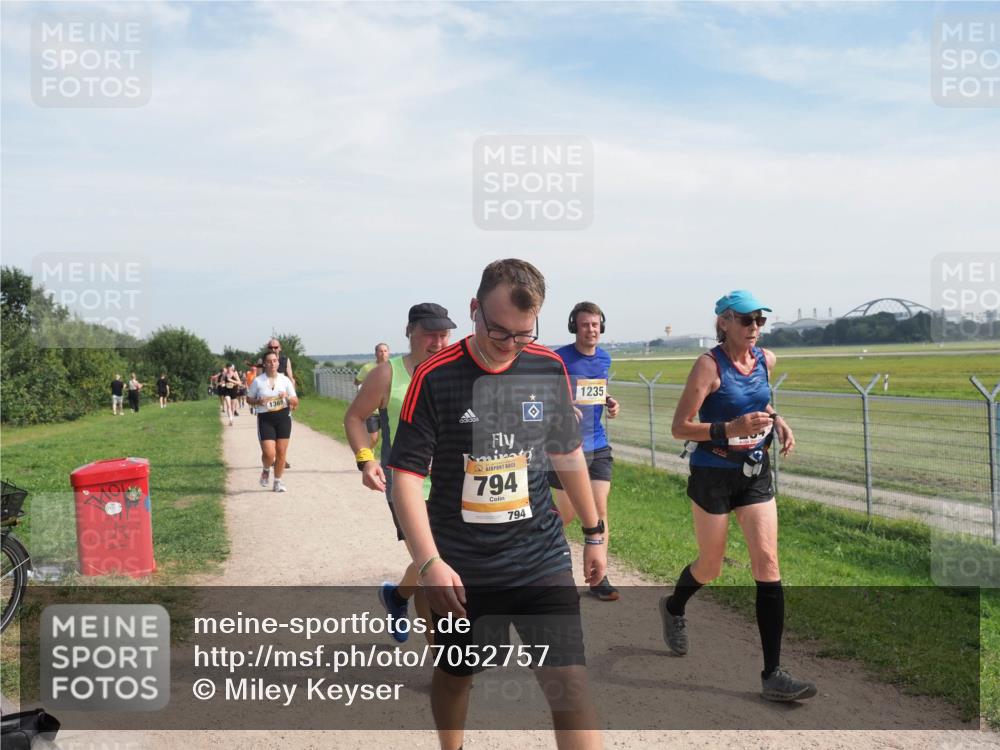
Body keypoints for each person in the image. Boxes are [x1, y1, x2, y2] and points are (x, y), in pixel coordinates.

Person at [388, 259, 606, 750]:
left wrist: (594, 532)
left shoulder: (547, 367)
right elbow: (405, 477)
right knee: (456, 676)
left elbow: (566, 452)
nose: (510, 345)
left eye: (523, 335)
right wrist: (428, 562)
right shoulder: (434, 376)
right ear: (473, 310)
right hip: (463, 569)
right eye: (499, 331)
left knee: (570, 685)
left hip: (540, 556)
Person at [664, 290, 815, 702]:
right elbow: (680, 427)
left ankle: (773, 674)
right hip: (712, 474)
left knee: (767, 562)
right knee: (711, 567)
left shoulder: (766, 360)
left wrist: (778, 420)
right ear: (724, 323)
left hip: (754, 474)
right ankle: (674, 607)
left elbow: (759, 399)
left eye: (759, 321)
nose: (754, 328)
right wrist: (728, 429)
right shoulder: (707, 366)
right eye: (745, 320)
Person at [345, 311, 453, 644]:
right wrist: (366, 460)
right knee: (433, 564)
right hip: (407, 486)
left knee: (438, 561)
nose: (437, 343)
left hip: (452, 485)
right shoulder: (386, 374)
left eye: (444, 335)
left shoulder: (453, 370)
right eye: (429, 335)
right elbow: (354, 418)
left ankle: (397, 597)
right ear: (409, 332)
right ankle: (444, 659)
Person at [550, 301, 621, 601]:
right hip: (566, 448)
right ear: (574, 327)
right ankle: (543, 561)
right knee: (565, 515)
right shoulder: (559, 358)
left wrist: (609, 400)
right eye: (584, 325)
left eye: (595, 324)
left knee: (599, 510)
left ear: (601, 327)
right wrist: (562, 407)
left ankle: (597, 578)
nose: (591, 330)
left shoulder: (604, 358)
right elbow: (547, 393)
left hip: (598, 445)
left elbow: (592, 390)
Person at [246, 351, 299, 493]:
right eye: (269, 361)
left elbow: (295, 401)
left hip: (283, 418)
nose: (272, 363)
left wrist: (287, 397)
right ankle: (265, 469)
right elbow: (248, 399)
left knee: (281, 452)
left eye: (275, 361)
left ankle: (277, 482)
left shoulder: (285, 380)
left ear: (278, 363)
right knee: (269, 454)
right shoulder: (258, 381)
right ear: (264, 364)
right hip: (265, 419)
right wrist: (258, 401)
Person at [354, 343, 390, 449]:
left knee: (388, 438)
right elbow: (357, 381)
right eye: (380, 351)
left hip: (388, 408)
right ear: (376, 353)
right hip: (372, 410)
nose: (383, 353)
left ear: (389, 353)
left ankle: (386, 462)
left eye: (385, 351)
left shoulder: (393, 367)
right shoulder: (368, 367)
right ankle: (368, 455)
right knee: (373, 438)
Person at [267, 339, 294, 468]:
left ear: (280, 348)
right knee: (271, 432)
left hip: (283, 401)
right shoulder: (264, 361)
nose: (273, 349)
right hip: (269, 402)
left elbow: (291, 377)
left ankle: (282, 458)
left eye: (275, 347)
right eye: (270, 347)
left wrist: (292, 397)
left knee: (283, 432)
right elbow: (259, 379)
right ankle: (270, 456)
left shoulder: (285, 360)